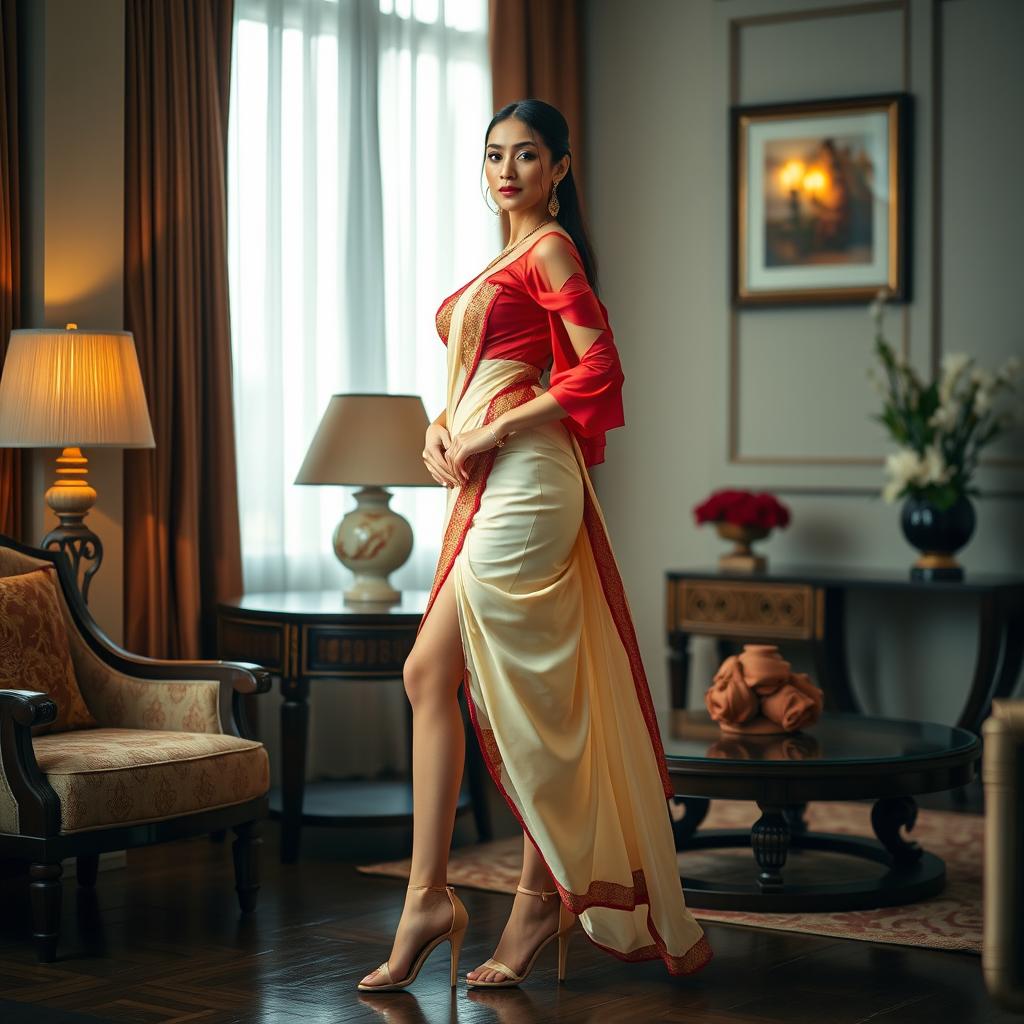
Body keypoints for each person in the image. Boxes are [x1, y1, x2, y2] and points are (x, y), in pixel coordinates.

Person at [358, 98, 711, 993]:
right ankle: (434, 897)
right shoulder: (501, 261)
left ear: (558, 168)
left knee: (496, 685)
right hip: (483, 473)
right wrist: (441, 428)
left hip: (527, 479)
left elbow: (598, 366)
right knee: (436, 677)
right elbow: (479, 373)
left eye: (525, 155)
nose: (505, 170)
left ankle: (525, 892)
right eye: (492, 156)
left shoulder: (549, 247)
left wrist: (488, 431)